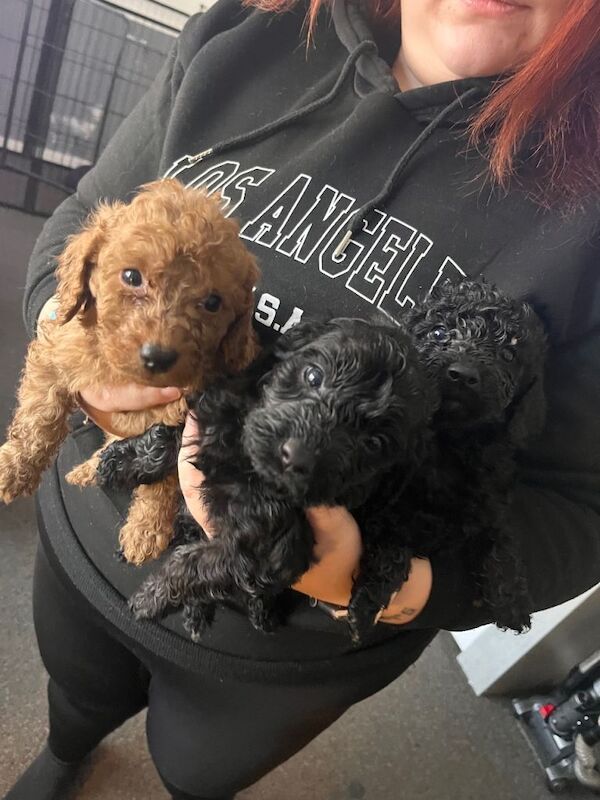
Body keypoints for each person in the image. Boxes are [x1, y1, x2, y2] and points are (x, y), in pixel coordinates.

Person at [5, 0, 600, 798]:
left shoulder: (584, 208)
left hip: (289, 652)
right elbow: (86, 220)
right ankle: (67, 747)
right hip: (89, 533)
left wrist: (385, 580)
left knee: (196, 772)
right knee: (75, 696)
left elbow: (581, 506)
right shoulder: (246, 34)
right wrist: (66, 337)